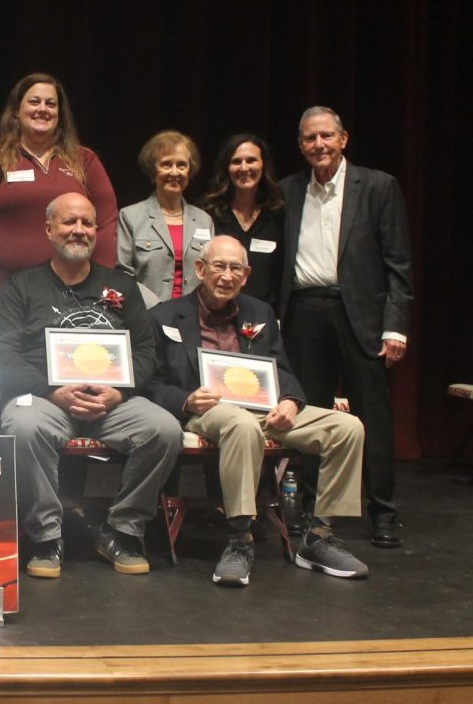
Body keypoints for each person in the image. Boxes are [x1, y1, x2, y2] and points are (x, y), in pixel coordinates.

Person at [146, 236, 368, 587]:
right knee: (241, 424)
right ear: (200, 269)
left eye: (236, 268)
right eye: (219, 266)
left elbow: (282, 370)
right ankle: (239, 540)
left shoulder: (259, 313)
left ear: (246, 275)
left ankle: (319, 537)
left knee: (348, 427)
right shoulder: (164, 316)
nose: (227, 275)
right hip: (210, 411)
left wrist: (291, 401)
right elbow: (151, 381)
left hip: (266, 409)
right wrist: (186, 400)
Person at [0, 192, 182, 578]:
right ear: (49, 229)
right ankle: (45, 535)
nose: (79, 230)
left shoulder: (121, 287)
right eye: (69, 222)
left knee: (164, 430)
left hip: (112, 402)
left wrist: (119, 393)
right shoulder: (22, 286)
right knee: (23, 427)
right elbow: (0, 354)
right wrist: (50, 390)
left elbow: (145, 351)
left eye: (87, 223)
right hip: (44, 399)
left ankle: (122, 530)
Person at [279, 106, 413, 548]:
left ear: (343, 139)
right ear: (300, 145)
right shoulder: (287, 191)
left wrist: (395, 328)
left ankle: (383, 514)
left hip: (361, 317)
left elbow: (399, 264)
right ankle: (315, 513)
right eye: (309, 138)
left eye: (326, 137)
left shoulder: (377, 186)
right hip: (303, 314)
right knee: (311, 417)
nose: (318, 145)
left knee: (372, 417)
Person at [0, 73, 119, 310]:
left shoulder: (84, 160)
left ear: (60, 114)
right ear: (16, 111)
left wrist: (101, 288)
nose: (42, 109)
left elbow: (106, 225)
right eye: (34, 102)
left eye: (50, 104)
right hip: (10, 294)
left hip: (76, 295)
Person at [117, 131, 212, 305]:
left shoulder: (204, 220)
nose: (175, 172)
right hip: (147, 316)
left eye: (182, 165)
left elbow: (210, 274)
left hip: (195, 319)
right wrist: (159, 311)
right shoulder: (130, 217)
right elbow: (122, 276)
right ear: (153, 171)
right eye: (167, 164)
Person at [201, 134, 286, 308]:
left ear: (263, 165)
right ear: (226, 168)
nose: (244, 167)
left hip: (265, 318)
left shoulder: (279, 213)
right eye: (236, 161)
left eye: (251, 160)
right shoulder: (207, 212)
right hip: (214, 316)